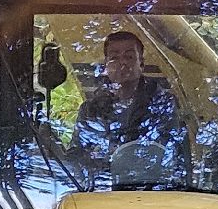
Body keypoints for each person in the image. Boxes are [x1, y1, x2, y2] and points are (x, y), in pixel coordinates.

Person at [73, 31, 182, 167]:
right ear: (106, 65)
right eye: (114, 57)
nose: (122, 63)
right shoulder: (90, 110)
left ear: (141, 64)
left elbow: (168, 156)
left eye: (129, 57)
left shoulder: (162, 105)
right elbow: (76, 158)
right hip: (102, 186)